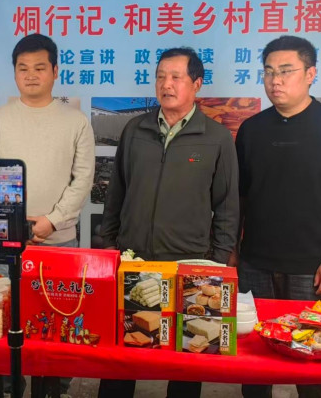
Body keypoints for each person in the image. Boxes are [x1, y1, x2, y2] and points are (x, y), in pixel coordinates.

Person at [99, 47, 240, 398]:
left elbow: (227, 205)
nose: (166, 84)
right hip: (134, 258)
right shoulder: (136, 129)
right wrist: (109, 244)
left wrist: (216, 262)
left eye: (176, 77)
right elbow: (116, 192)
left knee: (188, 357)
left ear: (197, 84)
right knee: (123, 352)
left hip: (189, 263)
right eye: (161, 76)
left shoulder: (216, 137)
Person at [234, 35, 321, 398]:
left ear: (311, 74)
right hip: (256, 263)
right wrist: (234, 250)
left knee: (311, 363)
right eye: (268, 72)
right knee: (254, 364)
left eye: (286, 71)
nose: (275, 80)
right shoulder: (251, 130)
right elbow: (240, 197)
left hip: (310, 267)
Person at [0, 33, 95, 398]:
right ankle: (10, 387)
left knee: (59, 322)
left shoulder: (76, 122)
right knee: (7, 320)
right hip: (9, 243)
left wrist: (51, 221)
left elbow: (83, 179)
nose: (30, 75)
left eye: (39, 68)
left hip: (59, 241)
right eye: (23, 68)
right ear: (14, 72)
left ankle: (56, 389)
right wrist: (18, 226)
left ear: (55, 71)